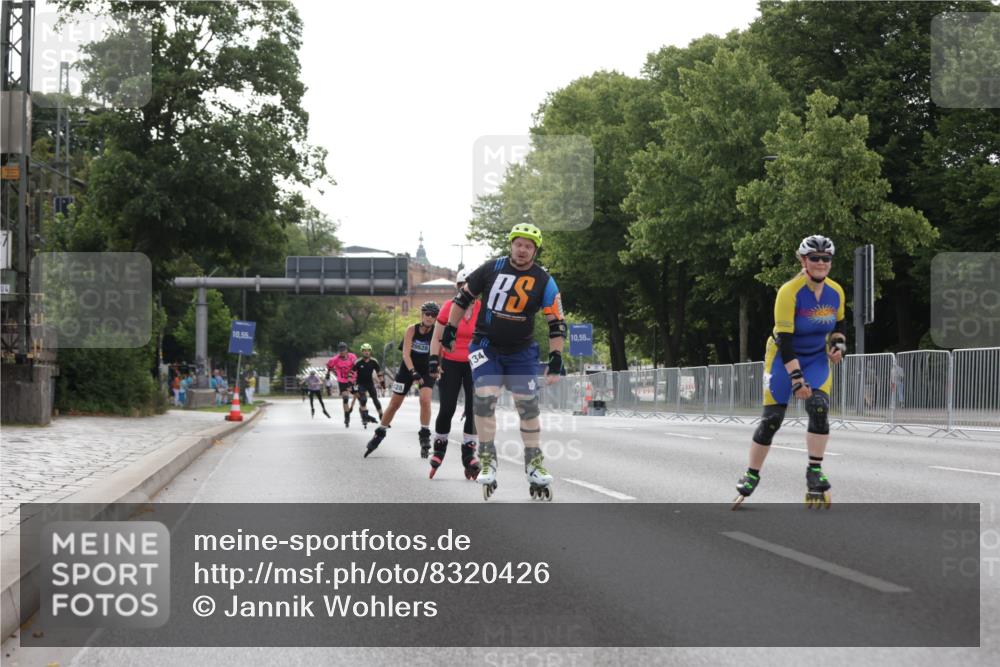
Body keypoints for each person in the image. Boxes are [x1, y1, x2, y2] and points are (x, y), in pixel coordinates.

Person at [440, 223, 566, 501]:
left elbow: (556, 321)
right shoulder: (490, 268)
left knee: (528, 407)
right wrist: (451, 327)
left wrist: (556, 356)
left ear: (535, 250)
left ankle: (534, 463)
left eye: (528, 246)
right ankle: (487, 458)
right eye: (518, 244)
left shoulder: (544, 280)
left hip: (521, 351)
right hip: (486, 347)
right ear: (511, 244)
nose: (522, 250)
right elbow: (463, 298)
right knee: (485, 399)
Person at [733, 235, 846, 509]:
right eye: (814, 258)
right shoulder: (789, 292)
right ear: (803, 260)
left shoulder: (836, 292)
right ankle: (751, 474)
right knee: (772, 419)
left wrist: (838, 347)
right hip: (783, 358)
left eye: (826, 259)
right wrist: (797, 380)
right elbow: (785, 341)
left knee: (819, 406)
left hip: (816, 359)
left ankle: (814, 470)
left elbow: (840, 326)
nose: (821, 263)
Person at [364, 302, 440, 458]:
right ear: (422, 314)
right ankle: (380, 433)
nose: (430, 317)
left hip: (426, 370)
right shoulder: (411, 329)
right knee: (394, 404)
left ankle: (424, 434)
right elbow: (405, 354)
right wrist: (413, 372)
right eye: (427, 314)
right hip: (407, 368)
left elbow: (441, 352)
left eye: (433, 315)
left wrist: (439, 367)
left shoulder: (437, 332)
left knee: (425, 401)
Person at [427, 268, 482, 480]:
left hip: (475, 363)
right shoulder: (449, 307)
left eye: (470, 288)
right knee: (448, 406)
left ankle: (469, 453)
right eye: (462, 287)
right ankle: (439, 446)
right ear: (457, 288)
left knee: (474, 408)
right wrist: (434, 360)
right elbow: (436, 337)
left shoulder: (482, 309)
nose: (466, 291)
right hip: (450, 361)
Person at [353, 343, 385, 428]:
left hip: (370, 384)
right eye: (364, 351)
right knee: (363, 400)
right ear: (362, 352)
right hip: (361, 384)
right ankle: (365, 417)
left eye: (368, 351)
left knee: (376, 400)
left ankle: (382, 417)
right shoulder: (358, 362)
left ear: (370, 352)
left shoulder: (374, 361)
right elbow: (351, 373)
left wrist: (382, 384)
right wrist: (350, 383)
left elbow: (379, 373)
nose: (366, 352)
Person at [327, 342, 358, 428]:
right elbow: (329, 366)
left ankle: (352, 406)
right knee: (345, 398)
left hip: (353, 379)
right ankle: (347, 417)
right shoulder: (335, 359)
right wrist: (332, 372)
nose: (342, 352)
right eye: (340, 351)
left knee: (360, 397)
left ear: (346, 350)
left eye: (343, 350)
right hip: (342, 381)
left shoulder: (352, 356)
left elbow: (357, 365)